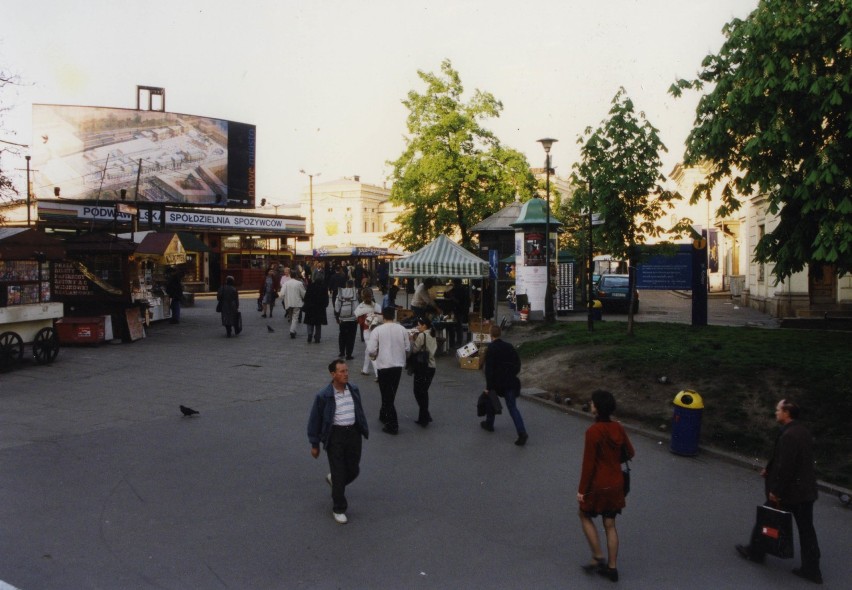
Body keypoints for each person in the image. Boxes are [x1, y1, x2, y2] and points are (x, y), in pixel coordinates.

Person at [735, 398, 822, 584]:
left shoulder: (789, 435)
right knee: (807, 530)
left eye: (778, 410)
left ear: (786, 413)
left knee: (765, 518)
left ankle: (756, 552)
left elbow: (786, 466)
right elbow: (789, 461)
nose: (776, 413)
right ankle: (812, 569)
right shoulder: (802, 431)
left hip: (791, 493)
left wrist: (776, 490)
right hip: (806, 491)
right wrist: (769, 468)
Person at [577, 390, 635, 583]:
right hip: (617, 482)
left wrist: (581, 491)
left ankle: (597, 555)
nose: (590, 404)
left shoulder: (593, 432)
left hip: (599, 484)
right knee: (610, 525)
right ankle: (612, 568)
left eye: (592, 403)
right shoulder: (618, 428)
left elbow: (588, 465)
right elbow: (630, 452)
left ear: (597, 408)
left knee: (584, 514)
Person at [307, 359, 369, 525]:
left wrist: (363, 428)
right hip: (336, 436)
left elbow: (359, 411)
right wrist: (315, 444)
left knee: (353, 470)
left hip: (353, 434)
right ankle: (339, 508)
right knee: (339, 472)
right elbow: (315, 420)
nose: (345, 374)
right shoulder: (324, 395)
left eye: (346, 371)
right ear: (333, 374)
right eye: (341, 371)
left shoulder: (354, 389)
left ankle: (335, 481)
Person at [481, 324, 528, 446]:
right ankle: (522, 432)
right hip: (510, 381)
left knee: (491, 400)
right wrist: (511, 373)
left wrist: (488, 386)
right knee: (512, 407)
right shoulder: (509, 347)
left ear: (491, 335)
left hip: (497, 382)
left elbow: (489, 370)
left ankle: (489, 423)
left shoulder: (491, 348)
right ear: (500, 333)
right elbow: (517, 364)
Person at [366, 307, 410, 435]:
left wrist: (376, 353)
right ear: (394, 316)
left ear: (383, 316)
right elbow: (407, 347)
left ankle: (392, 424)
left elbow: (371, 349)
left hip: (383, 364)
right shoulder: (402, 329)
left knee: (386, 393)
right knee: (391, 391)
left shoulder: (377, 330)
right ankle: (384, 413)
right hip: (398, 365)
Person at [409, 316, 438, 426]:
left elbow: (415, 349)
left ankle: (424, 416)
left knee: (418, 391)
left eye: (419, 325)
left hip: (422, 367)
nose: (417, 327)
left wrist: (412, 339)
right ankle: (424, 415)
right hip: (431, 366)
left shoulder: (422, 335)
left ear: (424, 326)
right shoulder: (432, 333)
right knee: (424, 391)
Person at [355, 288, 382, 379]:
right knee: (368, 351)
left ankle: (378, 374)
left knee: (371, 352)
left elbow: (360, 322)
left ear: (362, 297)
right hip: (377, 331)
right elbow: (381, 318)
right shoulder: (377, 306)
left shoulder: (360, 307)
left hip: (367, 332)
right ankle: (365, 369)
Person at [302, 270, 329, 344]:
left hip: (310, 307)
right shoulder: (324, 287)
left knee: (309, 322)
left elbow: (306, 297)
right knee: (318, 324)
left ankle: (309, 334)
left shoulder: (310, 286)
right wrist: (325, 305)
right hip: (320, 308)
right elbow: (326, 299)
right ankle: (317, 337)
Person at [334, 279, 359, 359]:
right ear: (353, 285)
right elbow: (357, 305)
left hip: (343, 318)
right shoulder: (356, 292)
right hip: (353, 319)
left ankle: (341, 352)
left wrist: (337, 316)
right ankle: (349, 354)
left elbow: (337, 305)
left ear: (346, 284)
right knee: (351, 337)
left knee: (342, 335)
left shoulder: (340, 292)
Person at [282, 269, 306, 338]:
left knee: (291, 316)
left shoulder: (286, 283)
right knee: (295, 317)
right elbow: (303, 293)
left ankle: (292, 329)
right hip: (297, 302)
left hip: (288, 302)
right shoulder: (299, 283)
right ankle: (292, 330)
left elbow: (282, 293)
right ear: (296, 276)